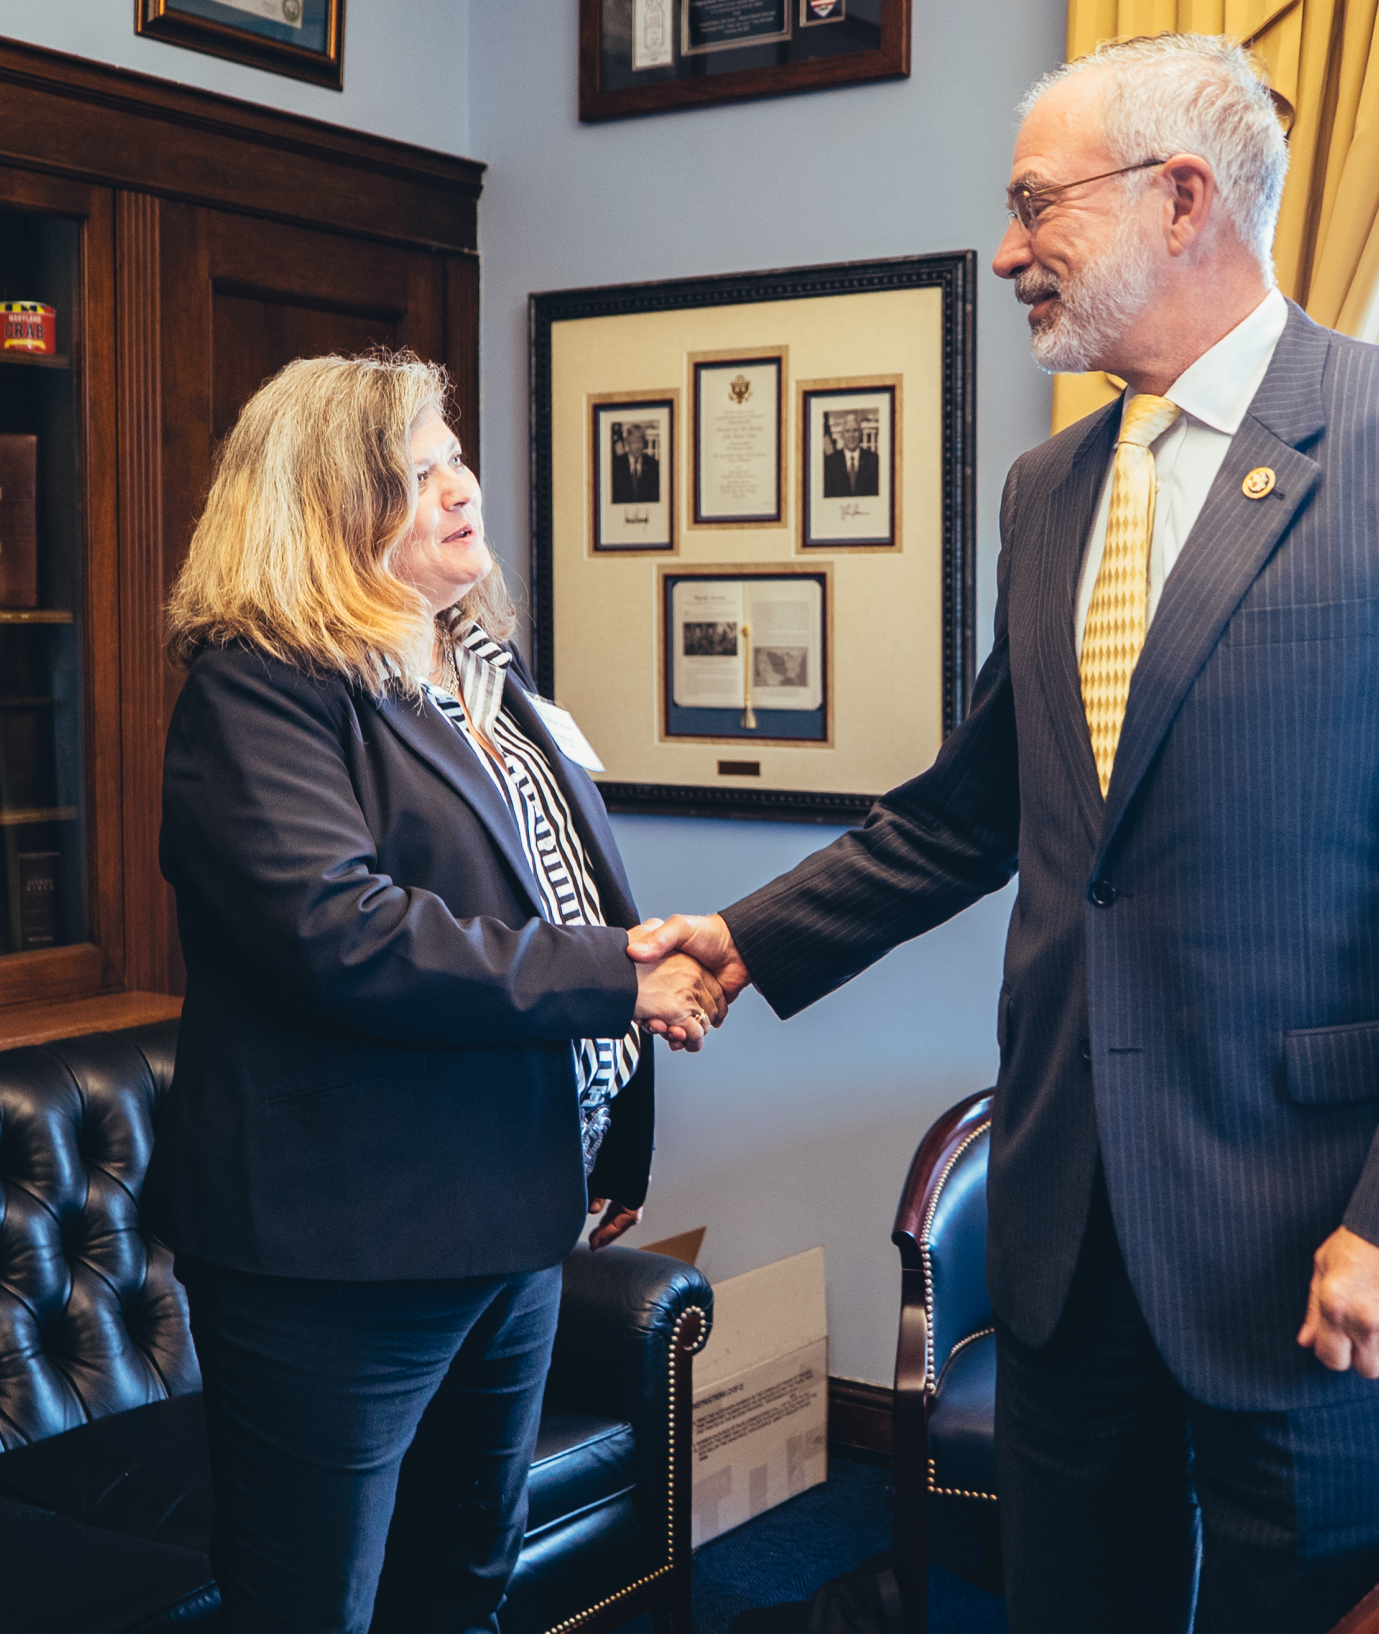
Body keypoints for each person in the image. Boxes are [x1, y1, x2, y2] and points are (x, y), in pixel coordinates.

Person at [630, 33, 1379, 1633]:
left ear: (1180, 199)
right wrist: (744, 939)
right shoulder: (1047, 489)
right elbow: (976, 810)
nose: (1008, 251)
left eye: (1035, 207)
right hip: (1073, 1230)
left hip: (1325, 1239)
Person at [150, 350, 725, 1634]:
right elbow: (343, 932)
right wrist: (621, 983)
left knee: (462, 1584)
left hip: (514, 1215)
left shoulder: (483, 678)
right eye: (415, 475)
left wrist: (608, 1134)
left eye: (452, 457)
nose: (460, 490)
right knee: (313, 1606)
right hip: (344, 1247)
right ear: (321, 513)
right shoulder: (262, 688)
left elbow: (565, 892)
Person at [822, 418, 878, 497]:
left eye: (855, 430)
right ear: (842, 435)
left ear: (861, 433)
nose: (851, 435)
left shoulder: (874, 460)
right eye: (847, 431)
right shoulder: (830, 462)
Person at [609, 420, 660, 503]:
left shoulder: (653, 464)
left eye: (639, 442)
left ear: (644, 443)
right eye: (633, 442)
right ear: (627, 444)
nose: (636, 446)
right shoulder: (617, 465)